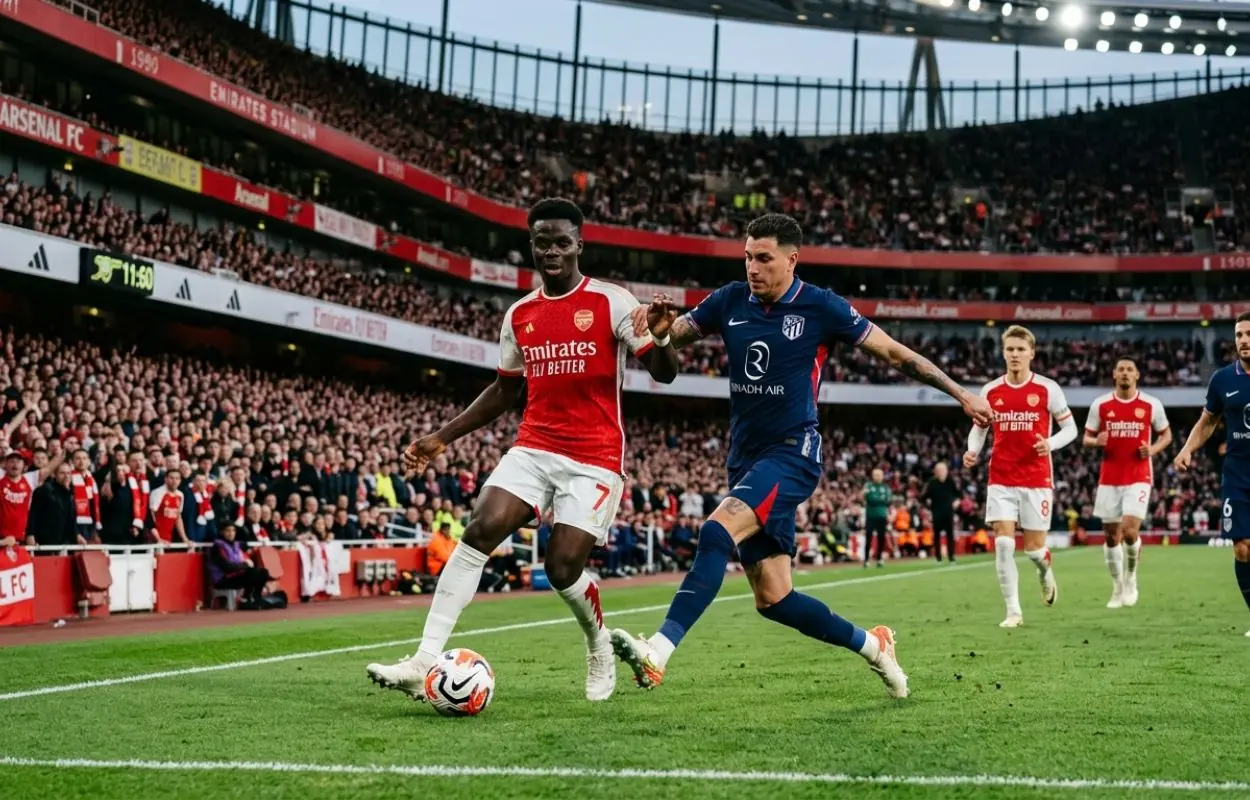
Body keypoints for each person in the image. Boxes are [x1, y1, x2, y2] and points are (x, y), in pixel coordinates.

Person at [610, 213, 993, 699]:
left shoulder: (821, 306)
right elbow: (663, 367)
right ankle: (875, 647)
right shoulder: (728, 300)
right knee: (774, 598)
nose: (752, 266)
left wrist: (962, 394)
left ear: (792, 260)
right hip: (744, 460)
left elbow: (896, 354)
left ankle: (658, 651)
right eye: (747, 256)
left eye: (764, 258)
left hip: (793, 452)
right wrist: (661, 335)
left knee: (714, 531)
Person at [366, 198, 679, 703]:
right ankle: (424, 657)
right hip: (535, 445)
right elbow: (506, 391)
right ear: (531, 245)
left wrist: (662, 340)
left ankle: (598, 645)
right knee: (480, 529)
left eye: (561, 242)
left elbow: (664, 373)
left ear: (579, 244)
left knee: (562, 568)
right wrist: (442, 437)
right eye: (541, 242)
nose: (551, 251)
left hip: (595, 456)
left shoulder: (612, 302)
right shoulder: (520, 314)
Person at [963, 325, 1078, 629]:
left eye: (1020, 349)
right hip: (1001, 477)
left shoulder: (1047, 389)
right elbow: (979, 429)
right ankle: (1013, 611)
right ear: (1003, 353)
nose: (1015, 354)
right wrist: (972, 450)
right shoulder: (990, 391)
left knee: (1034, 551)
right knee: (1002, 544)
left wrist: (1049, 444)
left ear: (1031, 353)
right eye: (1010, 349)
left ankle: (1045, 570)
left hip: (1037, 479)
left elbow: (1071, 429)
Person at [1174, 311, 1250, 637]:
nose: (1244, 341)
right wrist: (1187, 449)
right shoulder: (1222, 379)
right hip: (1237, 477)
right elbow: (1207, 422)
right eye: (1239, 335)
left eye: (1248, 334)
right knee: (1242, 548)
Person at [1082, 358, 1171, 609]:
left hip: (1139, 476)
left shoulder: (1151, 404)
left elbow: (1167, 434)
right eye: (1121, 369)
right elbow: (1086, 438)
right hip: (1109, 478)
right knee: (1111, 537)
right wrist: (1095, 441)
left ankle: (1131, 579)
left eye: (1129, 370)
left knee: (1130, 530)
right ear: (1114, 375)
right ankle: (1117, 586)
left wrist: (1152, 449)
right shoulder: (1100, 405)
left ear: (1137, 375)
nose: (1125, 373)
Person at [921, 462, 958, 563]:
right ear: (935, 472)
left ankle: (951, 557)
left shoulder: (951, 481)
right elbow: (923, 497)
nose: (941, 472)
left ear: (946, 471)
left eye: (943, 470)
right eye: (938, 470)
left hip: (948, 512)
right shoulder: (931, 483)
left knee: (950, 535)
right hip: (936, 512)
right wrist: (927, 506)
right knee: (936, 536)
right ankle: (938, 558)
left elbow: (958, 494)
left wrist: (956, 502)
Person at [862, 467, 891, 568]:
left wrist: (874, 498)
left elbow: (887, 500)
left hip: (882, 516)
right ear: (872, 476)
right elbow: (869, 498)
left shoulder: (886, 487)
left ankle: (879, 558)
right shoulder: (868, 486)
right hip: (870, 515)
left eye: (879, 475)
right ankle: (866, 559)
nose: (878, 477)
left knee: (881, 538)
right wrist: (878, 499)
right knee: (868, 537)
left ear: (882, 476)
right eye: (876, 475)